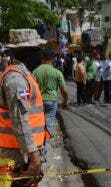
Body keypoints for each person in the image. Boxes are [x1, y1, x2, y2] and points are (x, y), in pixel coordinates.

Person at [0, 29, 49, 186]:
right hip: (17, 155)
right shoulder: (16, 79)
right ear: (26, 52)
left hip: (22, 151)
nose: (41, 55)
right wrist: (34, 156)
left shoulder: (24, 75)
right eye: (37, 50)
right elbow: (20, 120)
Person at [33, 48, 68, 135]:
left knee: (39, 123)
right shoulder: (57, 72)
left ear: (42, 58)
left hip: (38, 102)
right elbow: (64, 90)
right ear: (52, 59)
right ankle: (45, 142)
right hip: (51, 101)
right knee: (48, 123)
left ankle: (40, 141)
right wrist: (65, 101)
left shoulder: (35, 72)